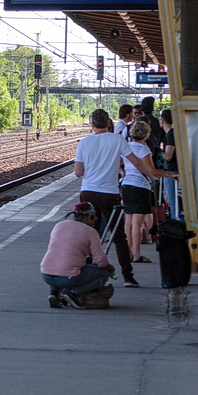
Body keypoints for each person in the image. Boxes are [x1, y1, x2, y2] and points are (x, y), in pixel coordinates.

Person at [73, 108, 159, 288]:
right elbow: (136, 162)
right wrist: (152, 177)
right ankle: (128, 277)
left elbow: (78, 173)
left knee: (88, 233)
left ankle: (85, 270)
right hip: (109, 193)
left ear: (93, 124)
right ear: (108, 124)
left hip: (88, 192)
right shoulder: (117, 139)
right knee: (119, 236)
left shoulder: (83, 143)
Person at [121, 119, 177, 263]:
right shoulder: (144, 150)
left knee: (128, 220)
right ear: (146, 134)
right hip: (140, 186)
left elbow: (119, 165)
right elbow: (151, 171)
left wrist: (123, 173)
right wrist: (170, 174)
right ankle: (137, 254)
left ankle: (128, 252)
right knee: (137, 223)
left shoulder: (126, 147)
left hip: (126, 185)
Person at [41, 202, 114, 309]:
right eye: (94, 218)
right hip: (67, 276)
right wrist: (110, 268)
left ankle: (54, 294)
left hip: (46, 273)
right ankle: (73, 293)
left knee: (57, 265)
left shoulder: (59, 225)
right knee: (103, 274)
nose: (95, 221)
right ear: (89, 216)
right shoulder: (91, 232)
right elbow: (100, 260)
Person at [160, 109, 180, 220]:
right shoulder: (174, 133)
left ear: (162, 121)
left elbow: (168, 156)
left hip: (171, 171)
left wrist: (159, 153)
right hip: (175, 170)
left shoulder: (170, 135)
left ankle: (174, 221)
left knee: (172, 200)